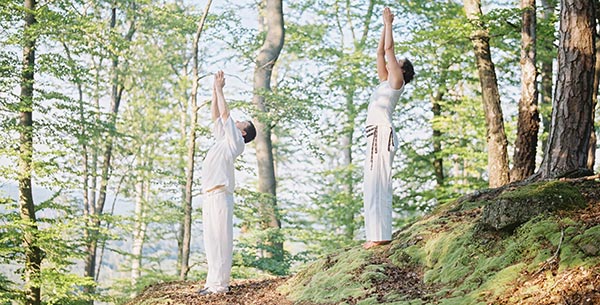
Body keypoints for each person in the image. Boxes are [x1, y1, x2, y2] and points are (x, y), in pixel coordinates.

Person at [198, 70, 256, 295]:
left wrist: (221, 90)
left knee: (221, 239)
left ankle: (220, 285)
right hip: (209, 194)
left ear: (243, 133)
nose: (237, 121)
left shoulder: (236, 143)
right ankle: (211, 283)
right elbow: (216, 117)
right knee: (211, 240)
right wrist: (214, 90)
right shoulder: (224, 138)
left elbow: (224, 114)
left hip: (221, 194)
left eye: (241, 122)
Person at [363, 7, 414, 250]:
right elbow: (380, 53)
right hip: (373, 135)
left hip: (383, 134)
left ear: (402, 71)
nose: (394, 62)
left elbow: (388, 50)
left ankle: (382, 234)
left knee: (380, 182)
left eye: (398, 63)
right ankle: (374, 234)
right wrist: (385, 26)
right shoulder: (385, 80)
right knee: (371, 184)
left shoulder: (397, 82)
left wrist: (389, 23)